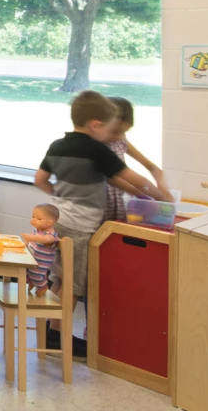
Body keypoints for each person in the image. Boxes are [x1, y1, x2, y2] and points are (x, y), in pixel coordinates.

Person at [35, 91, 167, 355]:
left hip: (56, 220)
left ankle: (50, 332)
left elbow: (39, 179)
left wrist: (59, 197)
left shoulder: (57, 145)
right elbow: (134, 178)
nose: (110, 136)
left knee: (59, 278)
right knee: (74, 285)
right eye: (108, 129)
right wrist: (161, 198)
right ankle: (59, 339)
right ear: (96, 125)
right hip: (80, 227)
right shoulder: (96, 150)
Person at [104, 96, 167, 222]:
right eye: (115, 131)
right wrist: (150, 195)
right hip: (100, 211)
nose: (119, 136)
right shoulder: (95, 148)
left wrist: (162, 188)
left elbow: (153, 168)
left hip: (117, 209)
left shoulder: (121, 141)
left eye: (124, 132)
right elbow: (114, 179)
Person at [20, 204, 60, 292]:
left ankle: (43, 287)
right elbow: (30, 241)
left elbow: (46, 239)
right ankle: (31, 283)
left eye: (38, 219)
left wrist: (31, 238)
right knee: (27, 273)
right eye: (33, 216)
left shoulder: (50, 235)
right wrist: (25, 244)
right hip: (32, 259)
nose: (33, 220)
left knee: (36, 274)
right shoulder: (37, 230)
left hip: (40, 263)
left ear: (49, 222)